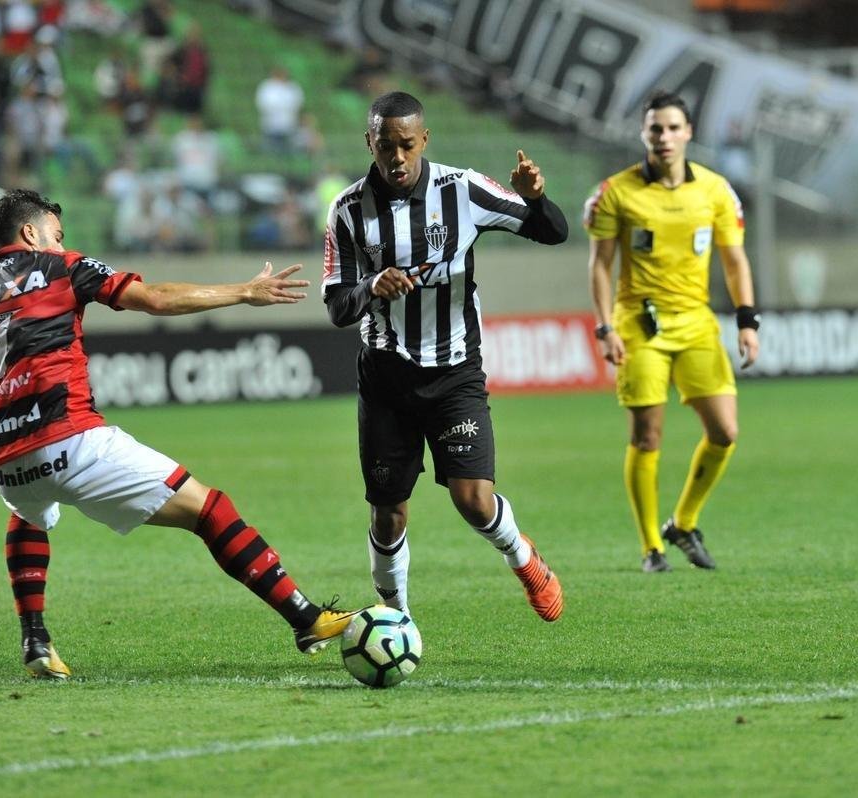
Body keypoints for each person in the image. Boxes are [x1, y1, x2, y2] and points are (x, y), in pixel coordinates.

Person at [0, 189, 358, 679]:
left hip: (6, 463)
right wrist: (243, 292)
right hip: (71, 439)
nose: (61, 241)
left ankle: (35, 640)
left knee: (29, 515)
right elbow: (152, 298)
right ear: (33, 234)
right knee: (211, 510)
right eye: (56, 233)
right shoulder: (61, 267)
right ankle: (305, 617)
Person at [322, 91, 567, 622]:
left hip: (455, 369)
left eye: (407, 145)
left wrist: (537, 198)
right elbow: (338, 307)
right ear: (369, 143)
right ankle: (397, 620)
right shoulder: (346, 210)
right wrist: (370, 286)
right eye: (386, 146)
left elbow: (553, 233)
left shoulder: (463, 189)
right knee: (388, 513)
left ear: (424, 139)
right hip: (386, 376)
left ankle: (524, 559)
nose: (397, 158)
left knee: (474, 500)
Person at [584, 90, 760, 573]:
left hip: (696, 322)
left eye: (672, 127)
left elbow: (735, 259)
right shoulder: (616, 192)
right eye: (655, 128)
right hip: (639, 325)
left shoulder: (716, 191)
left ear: (689, 133)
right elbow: (600, 266)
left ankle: (683, 523)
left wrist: (747, 319)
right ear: (643, 133)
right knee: (647, 437)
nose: (663, 137)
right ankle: (651, 548)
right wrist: (604, 327)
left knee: (724, 431)